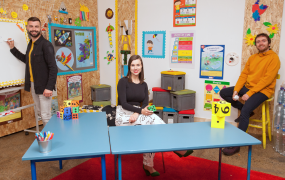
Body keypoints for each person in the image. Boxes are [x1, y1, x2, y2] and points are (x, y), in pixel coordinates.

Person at [116, 55, 193, 177]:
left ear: (142, 66)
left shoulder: (144, 84)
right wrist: (140, 112)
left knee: (152, 126)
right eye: (133, 65)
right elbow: (124, 104)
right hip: (123, 115)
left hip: (137, 113)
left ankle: (148, 165)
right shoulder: (123, 81)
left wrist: (138, 112)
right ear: (129, 67)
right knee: (152, 119)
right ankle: (176, 145)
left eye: (138, 65)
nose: (135, 68)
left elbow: (146, 104)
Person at [220, 33, 280, 156]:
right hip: (249, 87)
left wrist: (250, 93)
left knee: (246, 112)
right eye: (258, 41)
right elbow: (244, 75)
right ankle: (242, 108)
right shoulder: (252, 58)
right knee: (224, 93)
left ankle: (236, 144)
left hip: (264, 90)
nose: (261, 43)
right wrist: (237, 90)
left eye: (263, 41)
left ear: (269, 43)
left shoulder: (274, 58)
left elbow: (267, 80)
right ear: (256, 44)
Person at [6, 17, 57, 127]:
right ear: (28, 28)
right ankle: (47, 139)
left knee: (45, 115)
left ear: (40, 28)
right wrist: (12, 48)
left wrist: (49, 87)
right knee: (40, 113)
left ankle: (50, 141)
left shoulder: (45, 45)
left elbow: (53, 67)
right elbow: (27, 60)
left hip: (44, 86)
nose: (34, 29)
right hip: (34, 84)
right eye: (31, 26)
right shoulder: (31, 44)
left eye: (36, 26)